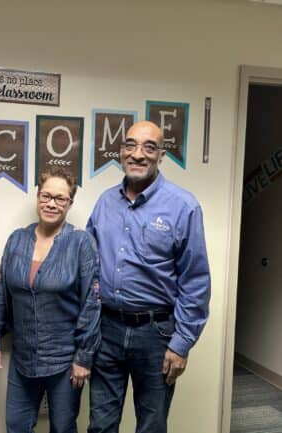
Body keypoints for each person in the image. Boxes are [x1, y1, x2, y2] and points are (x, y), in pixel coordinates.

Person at [86, 120, 211, 433]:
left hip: (157, 335)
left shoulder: (184, 206)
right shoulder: (104, 203)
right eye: (131, 145)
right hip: (107, 330)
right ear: (121, 152)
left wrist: (181, 344)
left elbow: (196, 282)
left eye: (149, 147)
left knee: (152, 426)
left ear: (161, 155)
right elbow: (86, 266)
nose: (138, 154)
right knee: (100, 425)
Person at [0, 167, 101, 433]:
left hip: (64, 361)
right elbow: (0, 291)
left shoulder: (81, 243)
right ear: (37, 196)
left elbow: (91, 304)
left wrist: (84, 357)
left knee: (62, 428)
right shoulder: (17, 239)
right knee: (16, 426)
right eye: (46, 195)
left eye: (60, 198)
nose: (51, 203)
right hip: (23, 359)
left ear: (70, 203)